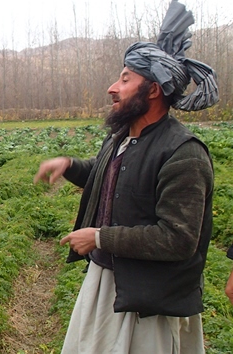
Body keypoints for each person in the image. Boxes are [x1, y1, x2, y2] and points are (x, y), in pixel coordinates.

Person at [34, 1, 218, 352]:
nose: (112, 88)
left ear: (152, 90)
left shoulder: (184, 154)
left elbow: (178, 239)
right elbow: (109, 177)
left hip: (149, 301)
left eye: (125, 78)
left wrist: (100, 238)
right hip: (108, 283)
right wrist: (70, 165)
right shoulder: (123, 137)